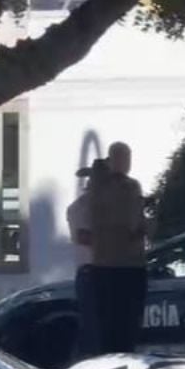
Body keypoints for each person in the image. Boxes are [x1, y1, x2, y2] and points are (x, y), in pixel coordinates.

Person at [87, 143, 148, 355]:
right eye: (123, 158)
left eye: (128, 157)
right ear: (112, 160)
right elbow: (132, 225)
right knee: (121, 327)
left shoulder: (98, 186)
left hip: (112, 264)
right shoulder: (123, 187)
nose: (127, 163)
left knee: (113, 326)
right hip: (121, 265)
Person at [67, 169, 97, 357]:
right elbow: (83, 237)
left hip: (113, 271)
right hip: (92, 273)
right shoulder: (80, 207)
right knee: (93, 328)